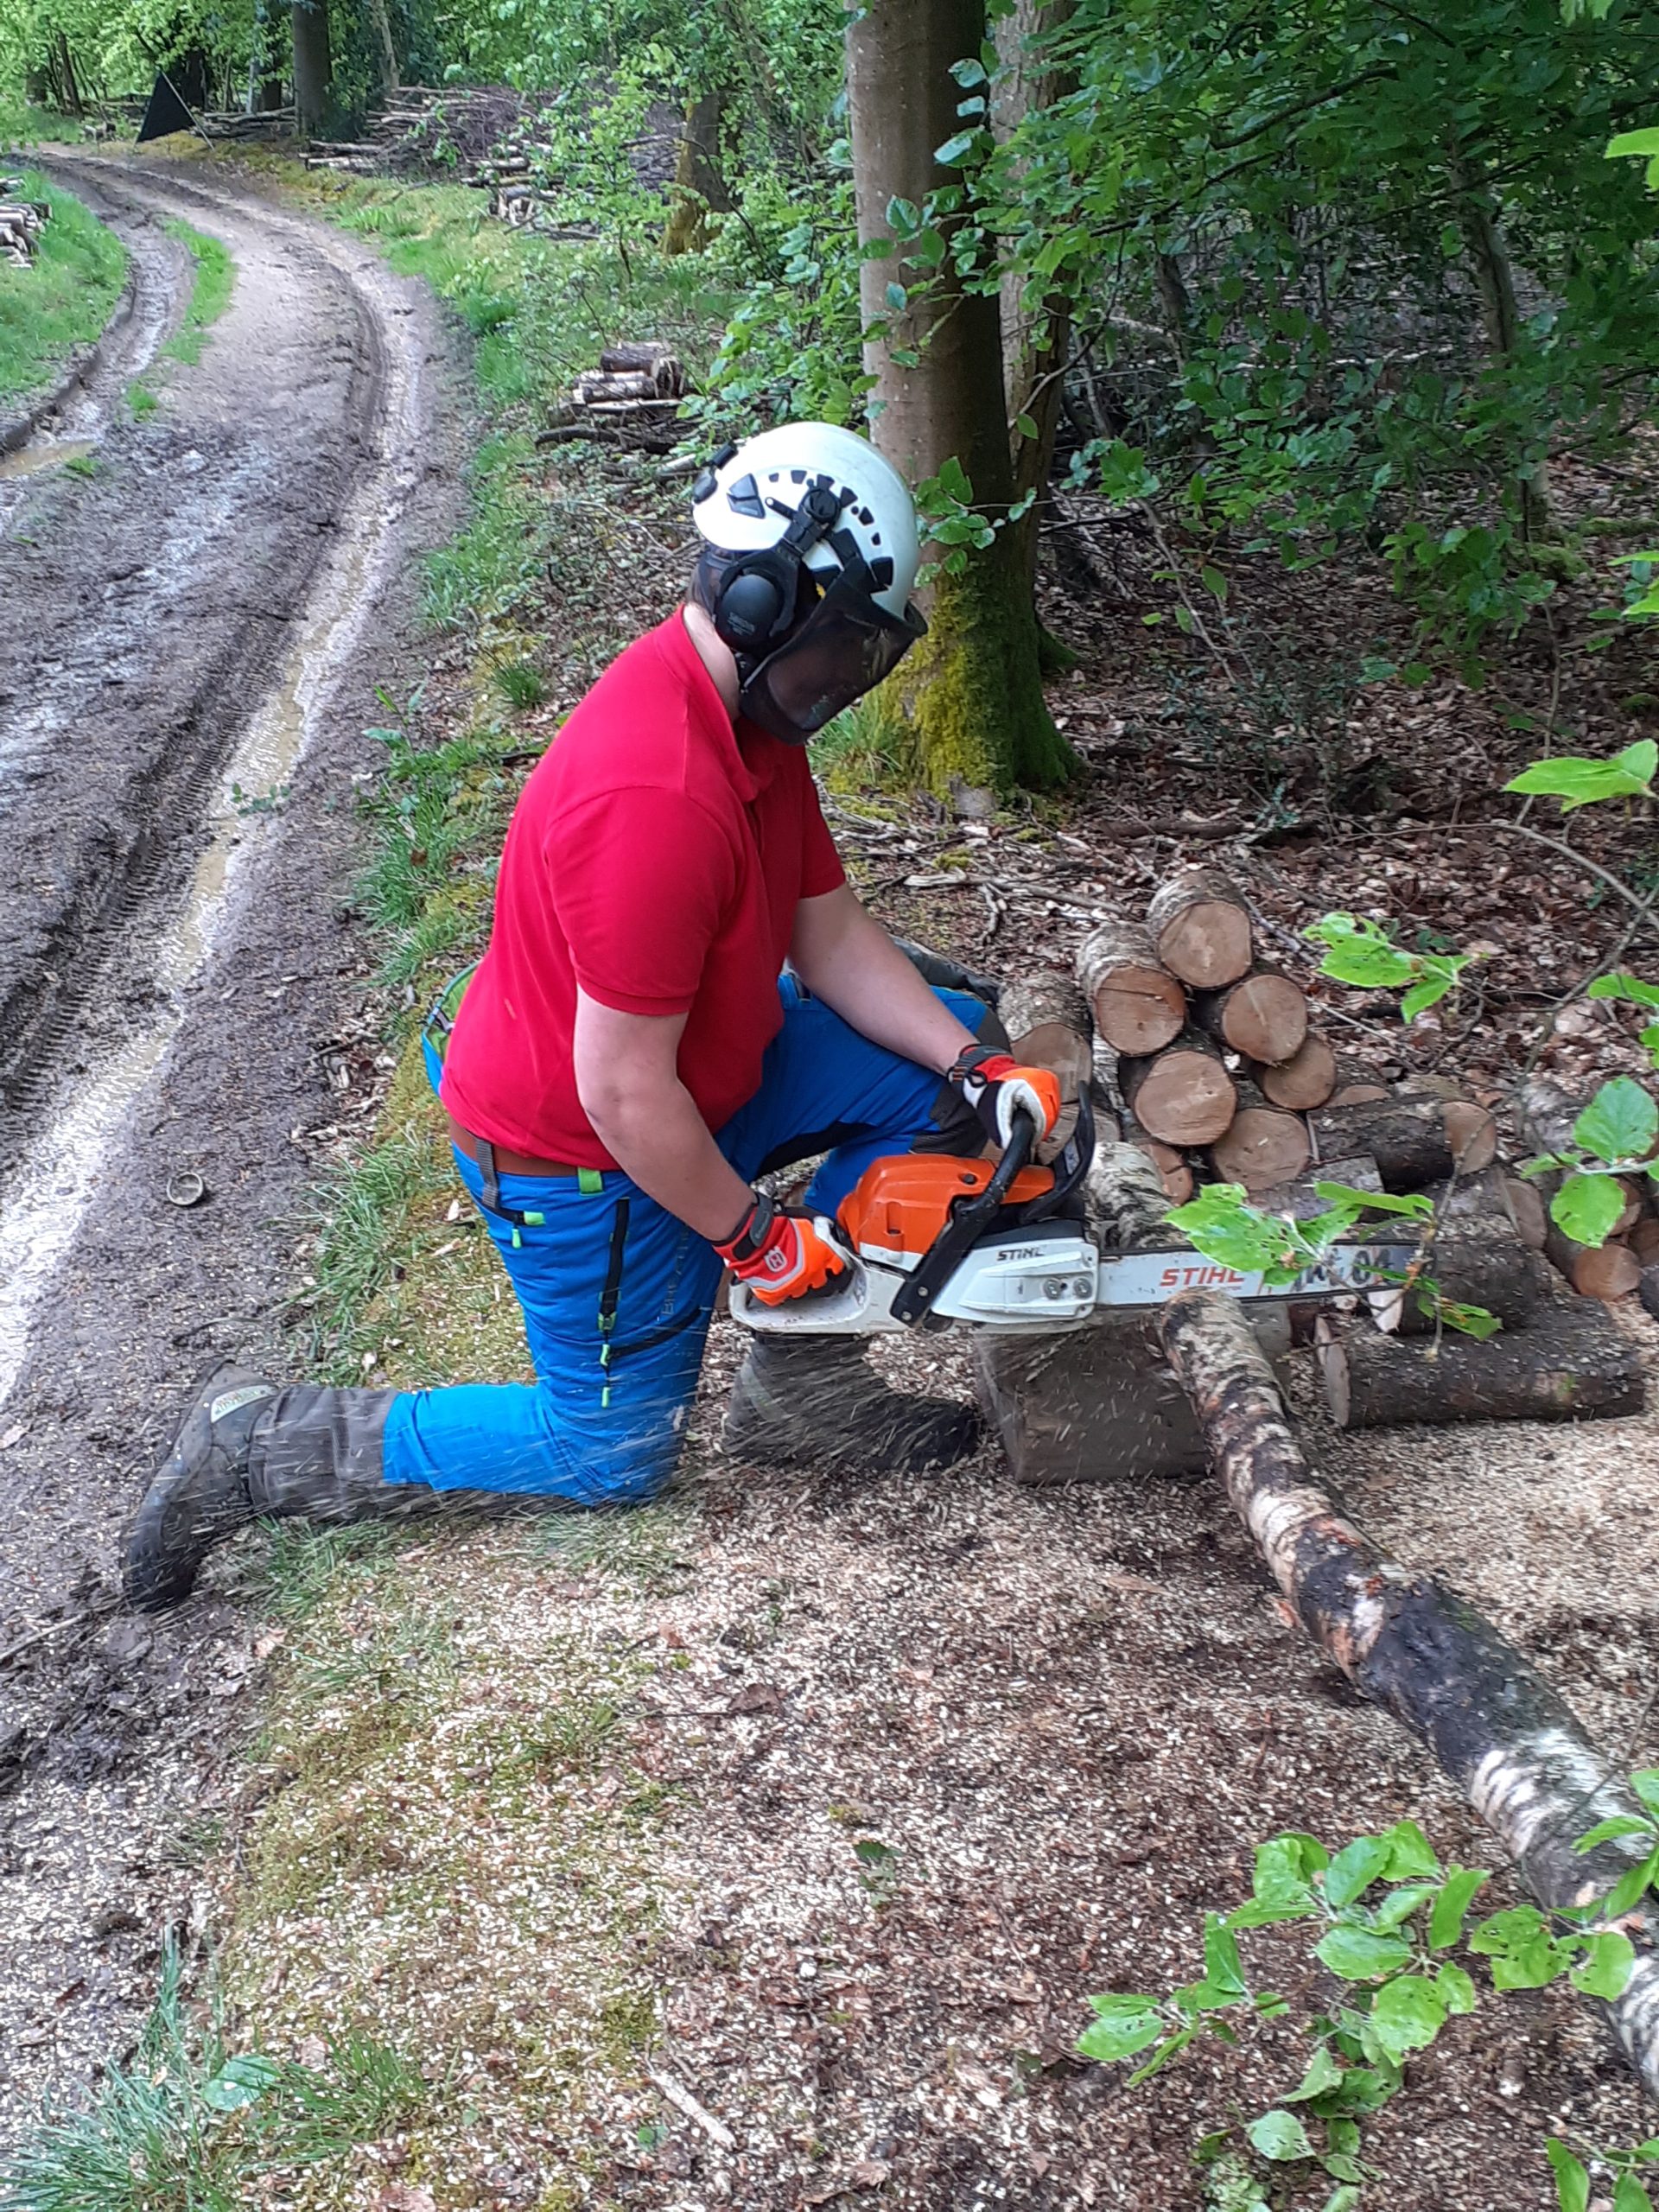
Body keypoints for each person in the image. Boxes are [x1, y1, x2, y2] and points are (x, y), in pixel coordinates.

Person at [124, 422, 1061, 1611]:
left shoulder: (751, 724)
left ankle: (803, 1393)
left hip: (695, 1074)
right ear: (767, 602)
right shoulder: (656, 792)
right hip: (581, 1149)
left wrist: (977, 1064)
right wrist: (758, 1241)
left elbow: (826, 936)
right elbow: (620, 1091)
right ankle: (257, 1447)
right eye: (839, 649)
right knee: (607, 1453)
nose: (845, 682)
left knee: (923, 1063)